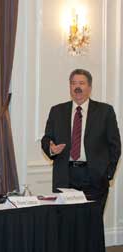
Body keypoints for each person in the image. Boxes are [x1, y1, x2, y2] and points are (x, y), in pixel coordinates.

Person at [41, 69, 121, 212]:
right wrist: (50, 148)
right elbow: (47, 138)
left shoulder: (105, 111)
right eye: (73, 83)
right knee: (66, 224)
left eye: (81, 83)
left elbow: (115, 145)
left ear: (89, 87)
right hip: (65, 176)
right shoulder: (57, 111)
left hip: (95, 178)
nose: (77, 87)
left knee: (92, 223)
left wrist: (108, 174)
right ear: (70, 87)